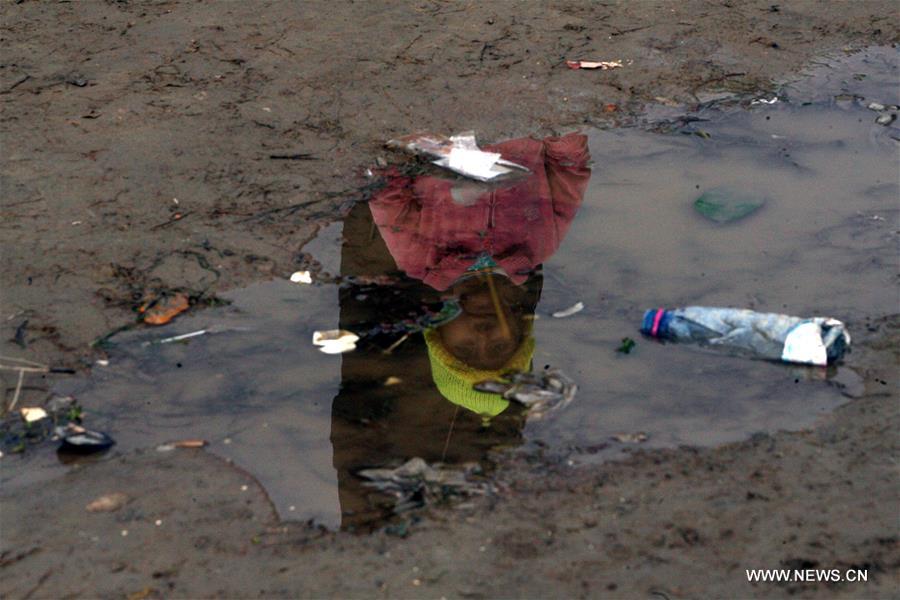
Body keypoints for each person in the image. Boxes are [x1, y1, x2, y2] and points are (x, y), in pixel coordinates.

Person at [329, 132, 591, 529]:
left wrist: (422, 139)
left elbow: (387, 187)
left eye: (468, 346)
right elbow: (570, 171)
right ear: (519, 334)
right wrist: (558, 126)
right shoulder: (538, 248)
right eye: (500, 346)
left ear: (441, 333)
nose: (484, 333)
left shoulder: (421, 259)